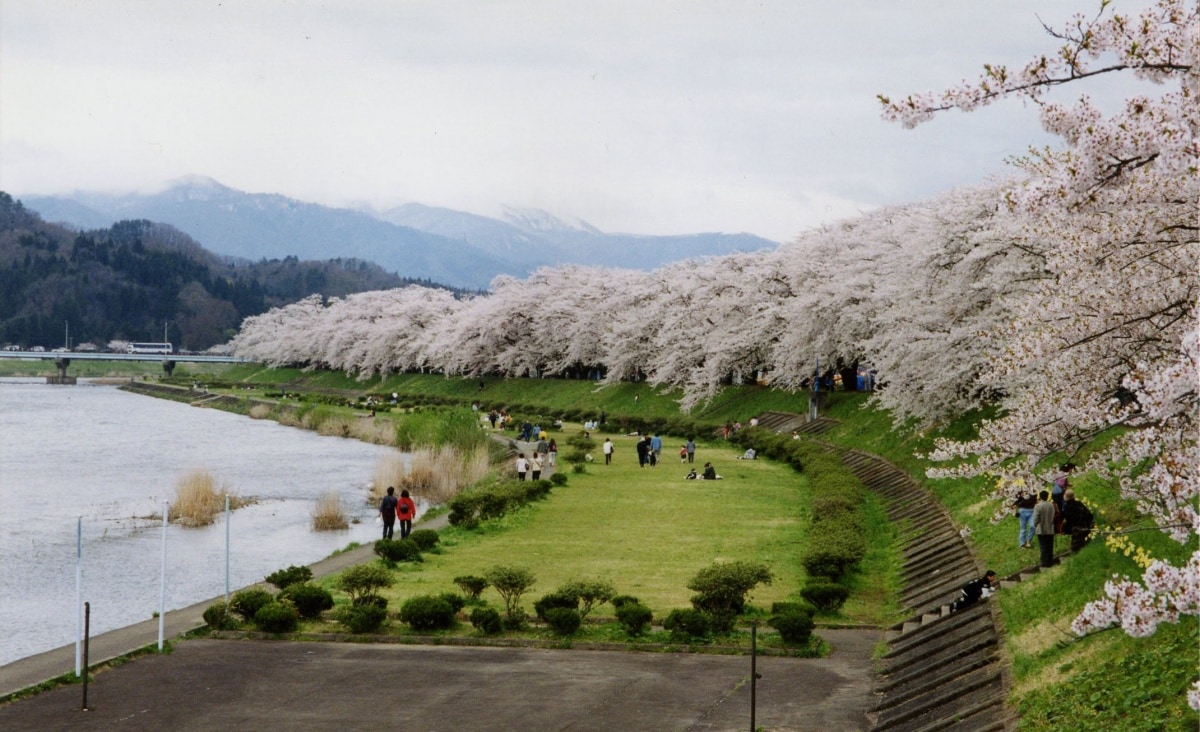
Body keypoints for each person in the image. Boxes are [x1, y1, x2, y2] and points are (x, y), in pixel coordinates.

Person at [1033, 490, 1059, 567]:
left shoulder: (1038, 506)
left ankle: (1044, 561)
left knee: (1043, 545)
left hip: (1041, 528)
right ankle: (1050, 560)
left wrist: (1035, 525)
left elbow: (1036, 518)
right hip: (1050, 527)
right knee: (1049, 545)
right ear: (1047, 496)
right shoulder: (1052, 505)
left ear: (1040, 497)